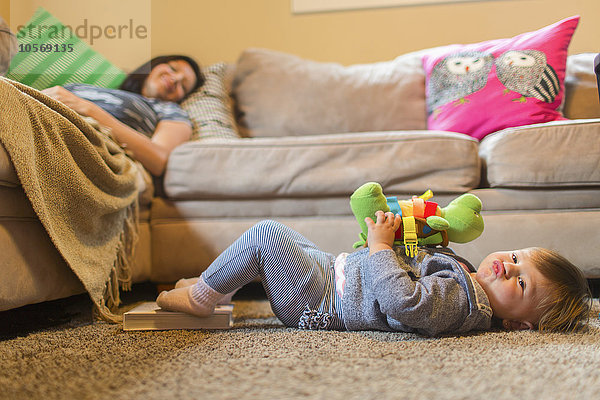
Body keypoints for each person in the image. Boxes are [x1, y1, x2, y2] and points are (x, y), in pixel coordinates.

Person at [156, 212, 592, 336]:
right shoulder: (467, 279)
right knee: (287, 239)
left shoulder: (464, 305)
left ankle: (203, 298)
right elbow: (413, 269)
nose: (509, 265)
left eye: (521, 282)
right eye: (516, 256)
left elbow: (404, 302)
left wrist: (381, 246)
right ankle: (212, 279)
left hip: (323, 302)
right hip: (335, 271)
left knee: (268, 236)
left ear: (518, 322)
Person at [41, 55, 204, 176]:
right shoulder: (103, 88)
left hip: (81, 135)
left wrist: (88, 109)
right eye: (173, 68)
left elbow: (159, 159)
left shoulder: (170, 109)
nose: (175, 78)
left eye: (183, 85)